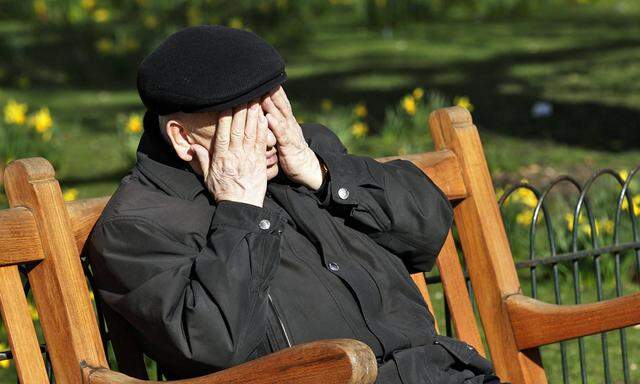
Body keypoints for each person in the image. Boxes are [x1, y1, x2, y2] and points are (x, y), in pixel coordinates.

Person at [88, 25, 501, 383]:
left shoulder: (298, 153)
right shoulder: (136, 227)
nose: (268, 136)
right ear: (181, 137)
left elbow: (428, 231)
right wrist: (241, 210)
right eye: (242, 124)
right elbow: (215, 345)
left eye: (269, 111)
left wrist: (321, 172)